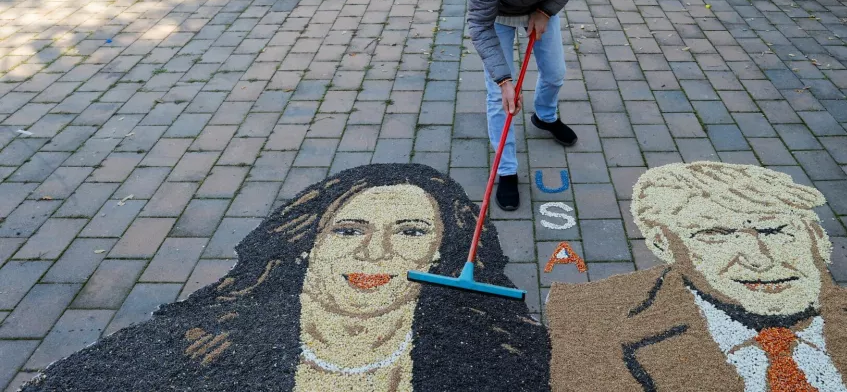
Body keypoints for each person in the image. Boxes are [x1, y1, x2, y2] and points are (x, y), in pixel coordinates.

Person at [21, 164, 550, 392]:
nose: (376, 252)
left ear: (441, 254)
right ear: (307, 246)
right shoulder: (186, 349)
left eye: (409, 231)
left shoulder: (509, 358)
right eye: (347, 230)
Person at [547, 161, 847, 391]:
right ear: (666, 247)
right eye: (717, 235)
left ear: (816, 236)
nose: (760, 258)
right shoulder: (589, 320)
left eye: (775, 230)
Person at [467, 0, 593, 211]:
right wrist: (504, 79)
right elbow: (479, 24)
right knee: (501, 99)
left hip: (541, 13)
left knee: (555, 73)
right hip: (496, 16)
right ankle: (506, 170)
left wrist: (546, 9)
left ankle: (544, 116)